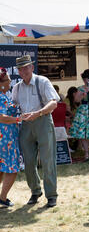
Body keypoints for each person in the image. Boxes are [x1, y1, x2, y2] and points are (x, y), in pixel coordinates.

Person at [12, 55, 60, 208]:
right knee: (28, 162)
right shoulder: (17, 87)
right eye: (21, 68)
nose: (24, 71)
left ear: (32, 67)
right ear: (18, 71)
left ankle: (51, 195)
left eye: (26, 67)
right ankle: (35, 191)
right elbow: (14, 107)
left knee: (48, 160)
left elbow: (53, 103)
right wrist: (16, 116)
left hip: (43, 121)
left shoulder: (42, 81)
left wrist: (38, 113)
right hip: (26, 125)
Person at [0, 68, 25, 208]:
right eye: (7, 79)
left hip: (5, 137)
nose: (10, 80)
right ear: (1, 83)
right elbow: (1, 117)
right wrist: (17, 119)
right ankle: (2, 198)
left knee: (1, 168)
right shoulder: (0, 97)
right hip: (6, 139)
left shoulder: (3, 95)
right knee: (12, 168)